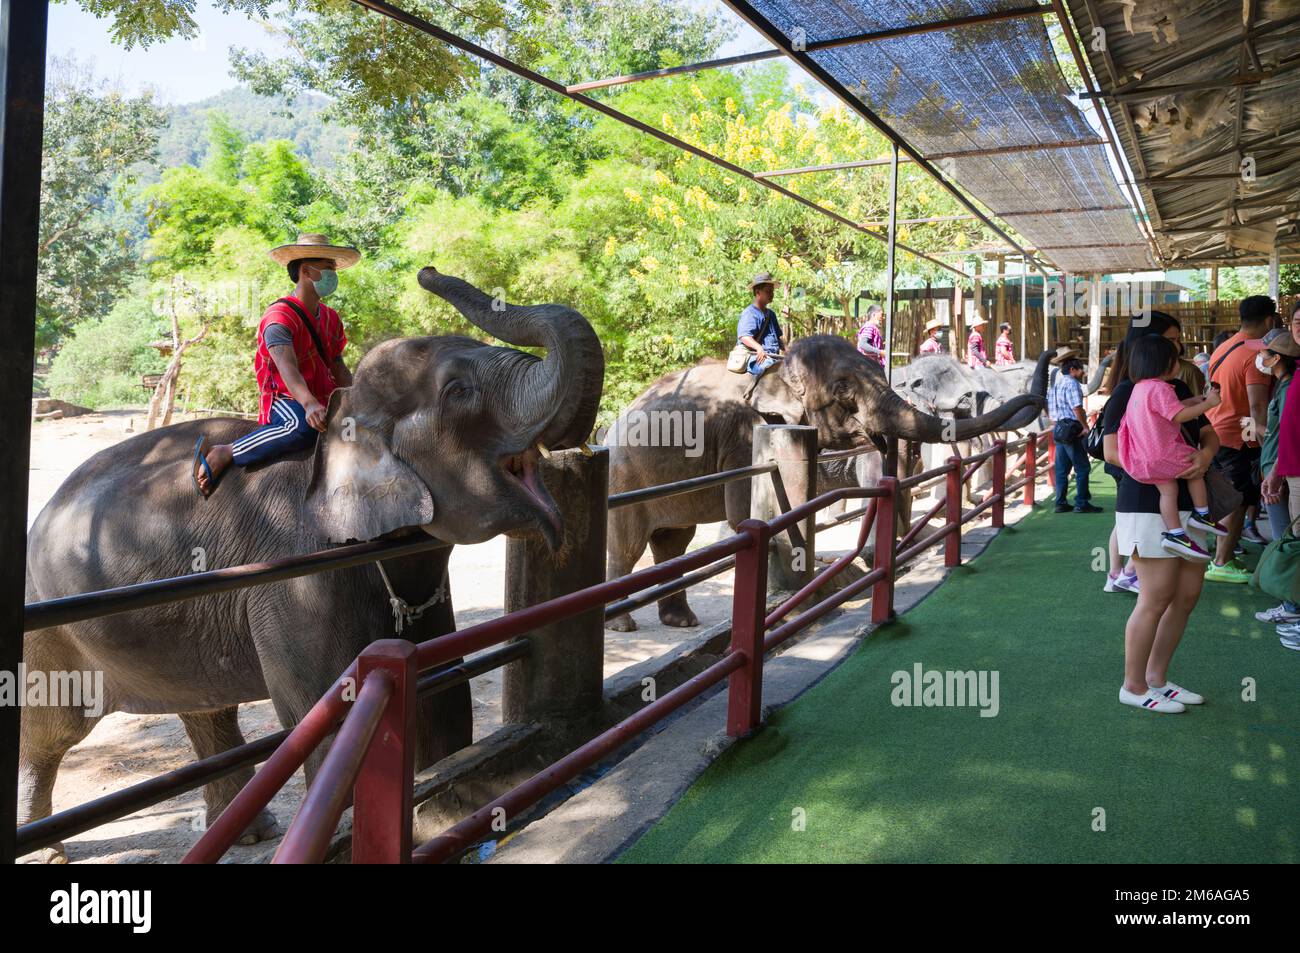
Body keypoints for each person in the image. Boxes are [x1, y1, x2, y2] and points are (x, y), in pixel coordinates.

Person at [1102, 310, 1219, 713]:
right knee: (1156, 596)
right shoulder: (1129, 391)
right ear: (1149, 347)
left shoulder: (1176, 387)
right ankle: (1133, 686)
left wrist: (1203, 458)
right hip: (1148, 503)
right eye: (1171, 341)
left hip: (1189, 501)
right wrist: (1161, 469)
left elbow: (1207, 432)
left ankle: (1157, 679)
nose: (1179, 348)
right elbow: (1112, 452)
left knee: (1186, 596)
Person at [192, 233, 357, 496]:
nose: (332, 277)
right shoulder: (279, 316)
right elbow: (285, 365)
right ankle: (229, 451)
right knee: (302, 429)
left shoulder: (331, 318)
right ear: (306, 271)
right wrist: (309, 403)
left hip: (326, 397)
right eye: (328, 269)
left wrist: (359, 396)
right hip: (287, 398)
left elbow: (338, 365)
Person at [1117, 334, 1226, 560]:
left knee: (1168, 491)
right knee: (1195, 468)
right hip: (1165, 453)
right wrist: (1208, 403)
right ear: (1164, 362)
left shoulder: (1139, 389)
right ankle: (1202, 514)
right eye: (1176, 358)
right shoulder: (1161, 388)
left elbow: (1164, 410)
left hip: (1144, 459)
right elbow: (1178, 415)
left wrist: (1195, 400)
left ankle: (1175, 533)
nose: (1179, 363)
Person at [1202, 295, 1274, 583]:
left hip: (1217, 430)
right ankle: (1221, 560)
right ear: (1270, 320)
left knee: (1226, 498)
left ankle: (1223, 555)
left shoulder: (1224, 346)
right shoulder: (1256, 355)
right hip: (1240, 436)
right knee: (1237, 500)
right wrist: (1269, 439)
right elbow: (1257, 407)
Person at [1254, 325, 1300, 625]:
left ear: (1278, 357)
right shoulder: (1285, 386)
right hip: (1279, 469)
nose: (1260, 358)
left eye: (1264, 353)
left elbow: (1288, 433)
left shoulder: (1288, 388)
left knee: (1289, 541)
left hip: (1280, 473)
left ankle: (1291, 604)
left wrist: (1275, 474)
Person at [1047, 352, 1101, 514]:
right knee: (1082, 468)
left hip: (1059, 429)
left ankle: (1060, 502)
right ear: (1072, 370)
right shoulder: (1072, 384)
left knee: (1062, 469)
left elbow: (1050, 412)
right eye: (1080, 370)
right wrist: (1085, 426)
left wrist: (1060, 426)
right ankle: (1081, 502)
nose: (1082, 373)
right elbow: (1077, 408)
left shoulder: (1055, 386)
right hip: (1071, 429)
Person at [737, 271, 785, 397]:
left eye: (772, 291)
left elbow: (777, 338)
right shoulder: (750, 313)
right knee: (771, 371)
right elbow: (744, 336)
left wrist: (788, 349)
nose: (772, 294)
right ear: (758, 292)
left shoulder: (771, 314)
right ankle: (754, 397)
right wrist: (759, 348)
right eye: (768, 291)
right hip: (756, 357)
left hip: (773, 356)